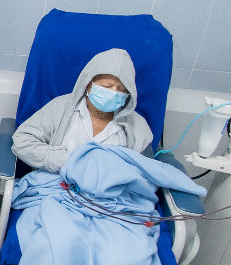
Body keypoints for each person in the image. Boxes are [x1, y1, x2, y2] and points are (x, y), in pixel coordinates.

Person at [12, 48, 152, 172]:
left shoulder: (137, 126)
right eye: (106, 86)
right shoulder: (60, 107)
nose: (114, 93)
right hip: (56, 185)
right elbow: (22, 141)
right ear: (88, 84)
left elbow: (144, 170)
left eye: (121, 89)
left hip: (110, 191)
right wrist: (66, 161)